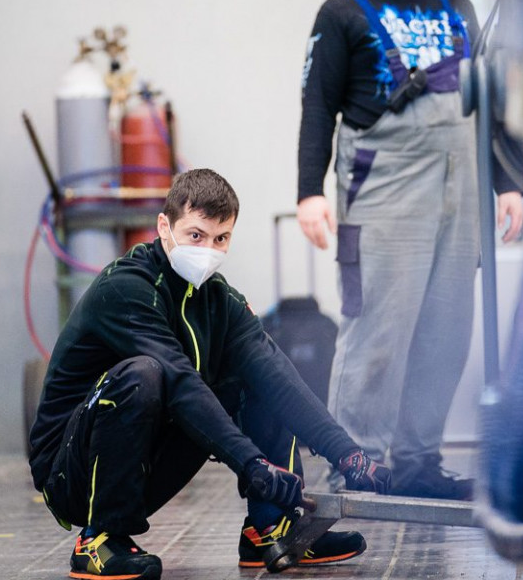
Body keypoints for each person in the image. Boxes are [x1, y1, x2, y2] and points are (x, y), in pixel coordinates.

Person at [28, 169, 391, 580]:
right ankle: (99, 539)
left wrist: (349, 455)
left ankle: (269, 528)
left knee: (258, 375)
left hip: (143, 455)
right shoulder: (125, 288)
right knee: (143, 374)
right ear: (164, 227)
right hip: (71, 474)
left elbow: (277, 376)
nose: (208, 250)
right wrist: (252, 465)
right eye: (196, 235)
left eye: (221, 239)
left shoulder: (219, 300)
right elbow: (179, 382)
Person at [296, 0, 523, 501]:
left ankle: (419, 463)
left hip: (462, 189)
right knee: (376, 329)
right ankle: (358, 463)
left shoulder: (458, 6)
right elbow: (318, 108)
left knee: (445, 332)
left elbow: (490, 102)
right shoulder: (340, 13)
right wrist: (309, 193)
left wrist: (508, 183)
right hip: (385, 190)